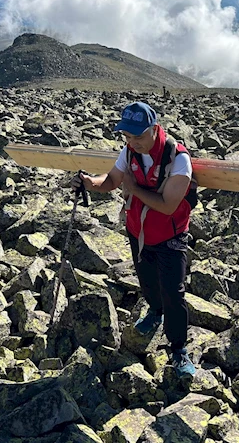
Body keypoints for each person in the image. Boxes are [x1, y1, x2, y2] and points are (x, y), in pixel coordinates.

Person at [70, 101, 197, 378]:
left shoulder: (178, 158)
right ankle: (154, 312)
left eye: (138, 136)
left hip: (170, 236)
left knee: (174, 293)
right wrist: (90, 183)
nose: (132, 142)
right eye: (127, 136)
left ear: (155, 129)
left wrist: (134, 188)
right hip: (138, 231)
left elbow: (167, 206)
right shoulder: (129, 152)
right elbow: (113, 179)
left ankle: (179, 350)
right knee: (146, 279)